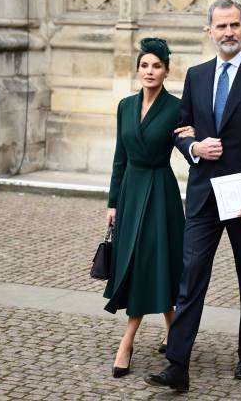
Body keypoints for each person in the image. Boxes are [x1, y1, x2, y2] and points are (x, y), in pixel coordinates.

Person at [145, 0, 241, 392]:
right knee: (190, 277)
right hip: (205, 195)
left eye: (234, 25)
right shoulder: (197, 75)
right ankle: (178, 364)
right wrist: (194, 148)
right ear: (209, 31)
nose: (228, 32)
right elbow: (181, 128)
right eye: (221, 26)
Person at [102, 38, 193, 378]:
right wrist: (112, 202)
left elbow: (188, 145)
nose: (150, 71)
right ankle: (175, 332)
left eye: (156, 66)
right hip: (130, 192)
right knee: (146, 263)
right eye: (144, 65)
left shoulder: (177, 107)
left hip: (159, 192)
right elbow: (119, 157)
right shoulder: (125, 106)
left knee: (151, 262)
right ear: (137, 69)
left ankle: (126, 342)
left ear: (167, 70)